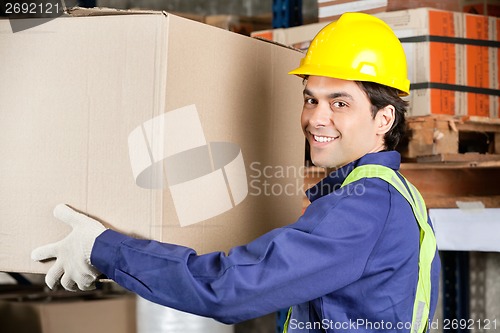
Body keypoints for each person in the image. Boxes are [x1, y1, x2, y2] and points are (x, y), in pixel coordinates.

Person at [32, 12, 440, 333]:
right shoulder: (388, 194)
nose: (316, 118)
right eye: (310, 99)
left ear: (384, 118)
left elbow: (225, 292)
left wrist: (102, 248)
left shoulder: (363, 208)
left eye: (339, 103)